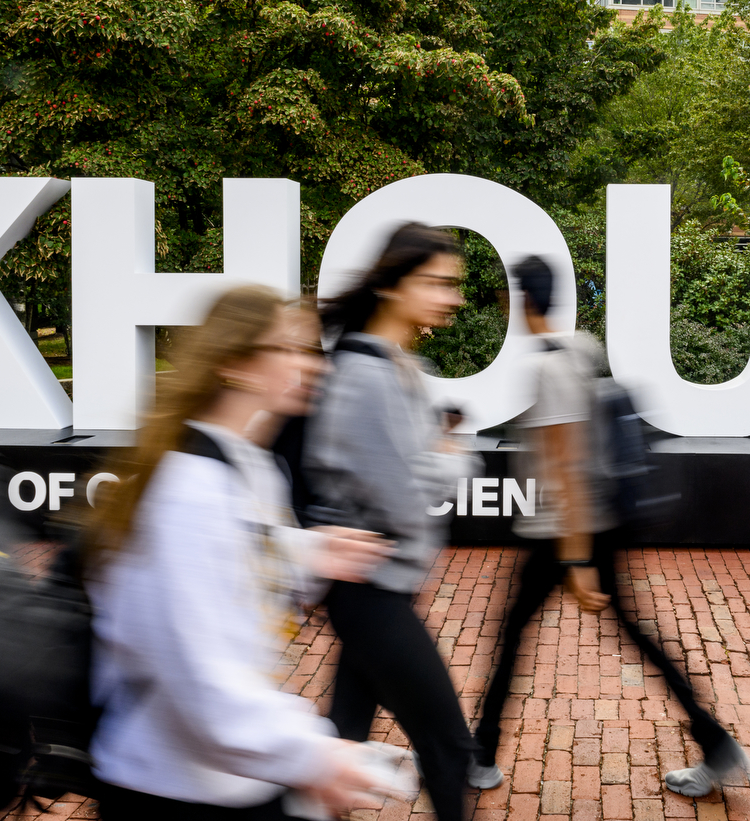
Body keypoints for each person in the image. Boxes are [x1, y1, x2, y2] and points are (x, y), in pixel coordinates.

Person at [85, 285, 392, 821]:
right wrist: (317, 757)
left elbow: (242, 560)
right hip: (168, 787)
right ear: (236, 364)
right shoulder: (190, 489)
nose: (313, 366)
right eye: (289, 349)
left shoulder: (248, 466)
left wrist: (310, 551)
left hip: (224, 776)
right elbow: (203, 681)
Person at [469, 254, 750, 799]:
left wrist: (576, 560)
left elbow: (568, 465)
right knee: (625, 633)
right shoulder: (577, 350)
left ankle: (480, 757)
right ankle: (714, 741)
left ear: (521, 301)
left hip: (566, 532)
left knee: (513, 635)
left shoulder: (549, 369)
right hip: (595, 523)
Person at [306, 223, 482, 821]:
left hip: (378, 585)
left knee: (342, 741)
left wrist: (430, 460)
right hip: (370, 589)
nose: (452, 297)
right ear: (391, 285)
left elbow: (404, 482)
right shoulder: (367, 377)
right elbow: (405, 502)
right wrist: (450, 458)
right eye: (436, 282)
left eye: (452, 284)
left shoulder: (395, 365)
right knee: (450, 748)